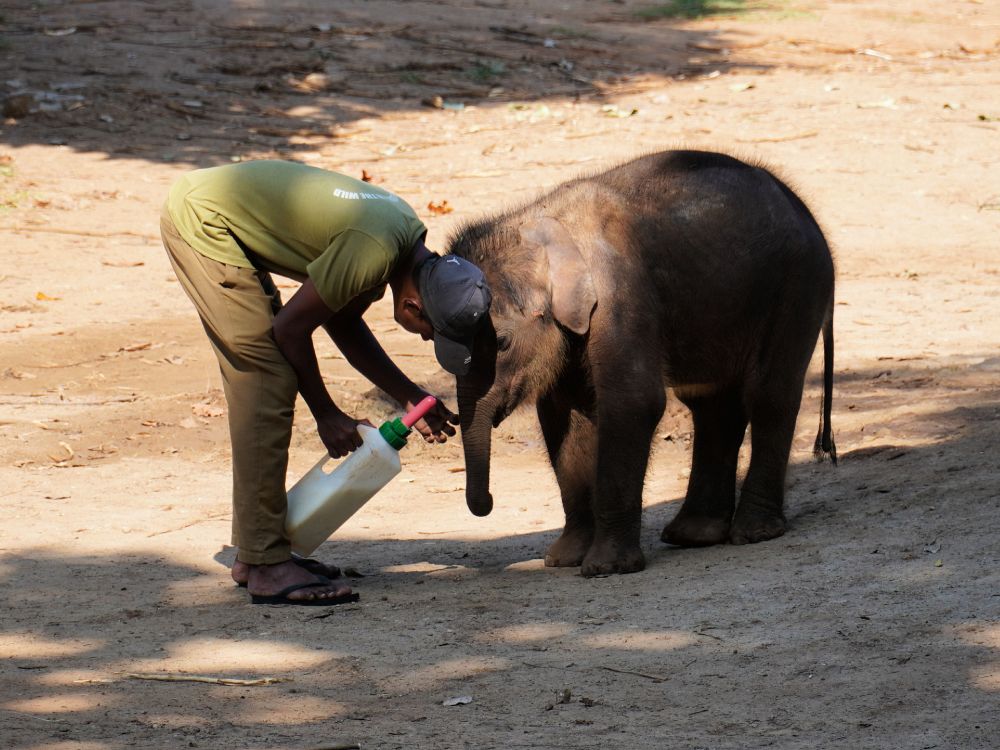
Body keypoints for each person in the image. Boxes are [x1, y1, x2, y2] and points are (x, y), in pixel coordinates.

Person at [159, 160, 491, 605]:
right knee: (266, 377)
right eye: (431, 332)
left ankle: (258, 553)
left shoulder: (400, 244)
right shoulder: (373, 248)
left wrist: (409, 395)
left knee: (270, 373)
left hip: (220, 213)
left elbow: (342, 321)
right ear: (412, 306)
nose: (427, 338)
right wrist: (326, 413)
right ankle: (266, 565)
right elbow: (290, 330)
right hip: (203, 220)